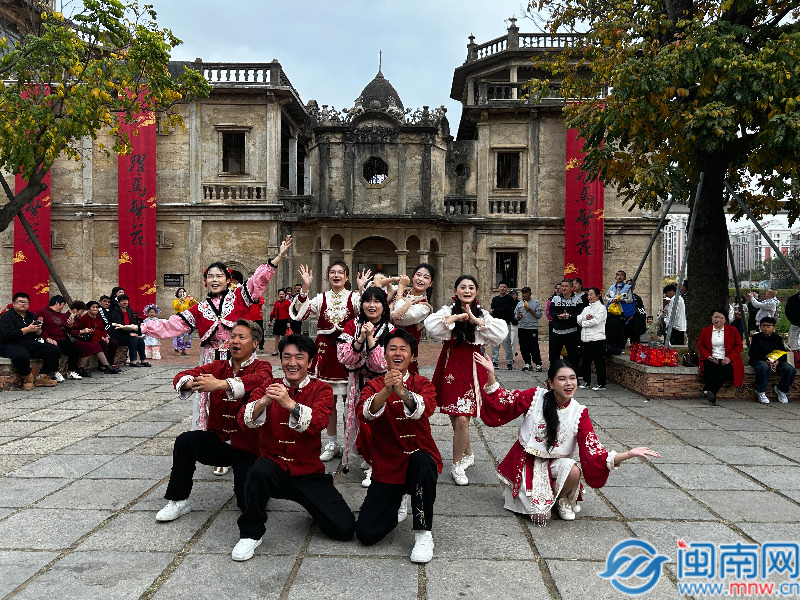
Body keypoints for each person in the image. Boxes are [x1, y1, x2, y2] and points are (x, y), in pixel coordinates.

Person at [115, 236, 292, 434]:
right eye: (210, 277)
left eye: (219, 276)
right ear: (205, 281)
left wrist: (277, 258)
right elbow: (171, 325)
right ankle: (212, 437)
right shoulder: (199, 309)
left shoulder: (240, 297)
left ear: (228, 279)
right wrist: (140, 327)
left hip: (240, 356)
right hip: (211, 358)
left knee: (243, 394)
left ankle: (244, 437)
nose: (214, 280)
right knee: (211, 398)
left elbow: (258, 281)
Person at [477, 357, 660, 525]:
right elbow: (504, 402)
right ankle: (541, 497)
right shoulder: (535, 396)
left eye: (572, 378)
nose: (569, 383)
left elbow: (593, 450)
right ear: (550, 383)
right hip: (528, 462)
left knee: (573, 469)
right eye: (562, 379)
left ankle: (562, 498)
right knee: (542, 518)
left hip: (557, 463)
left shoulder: (579, 412)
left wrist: (627, 454)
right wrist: (491, 374)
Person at [232, 334, 356, 561]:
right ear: (280, 360)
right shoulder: (269, 386)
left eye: (299, 357)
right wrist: (264, 401)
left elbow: (318, 421)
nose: (292, 363)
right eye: (286, 357)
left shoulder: (321, 389)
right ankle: (250, 534)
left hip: (308, 471)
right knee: (258, 471)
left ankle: (313, 506)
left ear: (310, 362)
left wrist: (289, 403)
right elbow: (243, 419)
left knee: (344, 528)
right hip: (274, 468)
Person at [156, 320, 272, 523]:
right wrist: (193, 382)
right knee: (185, 441)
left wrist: (219, 384)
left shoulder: (262, 367)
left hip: (248, 448)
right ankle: (178, 500)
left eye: (241, 337)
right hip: (218, 440)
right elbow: (182, 376)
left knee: (247, 504)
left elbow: (259, 381)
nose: (235, 341)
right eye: (232, 336)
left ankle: (258, 484)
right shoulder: (217, 366)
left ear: (255, 343)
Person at [355, 329, 442, 564]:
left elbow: (427, 408)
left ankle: (423, 533)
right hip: (388, 465)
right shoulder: (373, 385)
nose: (397, 353)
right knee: (366, 533)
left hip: (420, 460)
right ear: (384, 354)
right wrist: (386, 390)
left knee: (422, 462)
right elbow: (364, 413)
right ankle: (398, 499)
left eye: (403, 349)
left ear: (412, 356)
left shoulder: (423, 383)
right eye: (392, 348)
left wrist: (402, 392)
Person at [424, 274, 507, 486]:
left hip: (472, 367)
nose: (467, 291)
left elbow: (499, 334)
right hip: (450, 366)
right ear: (456, 291)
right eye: (463, 287)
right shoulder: (447, 310)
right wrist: (456, 318)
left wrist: (475, 321)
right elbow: (431, 326)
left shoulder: (483, 314)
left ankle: (457, 465)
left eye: (471, 287)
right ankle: (468, 453)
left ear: (477, 292)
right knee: (456, 418)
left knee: (462, 418)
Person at [289, 261, 371, 462]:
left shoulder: (354, 297)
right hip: (326, 353)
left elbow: (367, 313)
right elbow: (301, 315)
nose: (336, 276)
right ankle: (332, 442)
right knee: (329, 400)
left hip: (349, 352)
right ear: (327, 276)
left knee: (350, 400)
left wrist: (362, 289)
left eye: (340, 273)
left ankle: (350, 442)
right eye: (332, 272)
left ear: (347, 277)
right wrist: (305, 287)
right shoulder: (320, 298)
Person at [336, 287, 395, 485]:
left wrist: (370, 338)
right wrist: (360, 338)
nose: (372, 305)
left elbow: (381, 364)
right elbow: (344, 358)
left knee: (377, 422)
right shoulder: (352, 325)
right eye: (368, 301)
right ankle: (368, 456)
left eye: (377, 301)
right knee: (359, 420)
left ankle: (375, 464)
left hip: (380, 385)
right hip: (357, 383)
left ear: (384, 306)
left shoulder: (390, 330)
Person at [0, 292, 61, 390]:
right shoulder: (7, 316)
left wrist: (38, 329)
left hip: (29, 343)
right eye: (20, 302)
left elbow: (39, 334)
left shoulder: (32, 315)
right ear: (14, 303)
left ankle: (42, 376)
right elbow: (7, 334)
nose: (23, 304)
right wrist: (27, 329)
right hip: (10, 344)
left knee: (54, 350)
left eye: (25, 302)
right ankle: (27, 377)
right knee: (21, 354)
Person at [37, 295, 104, 380]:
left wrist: (70, 325)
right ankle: (55, 372)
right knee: (55, 350)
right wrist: (47, 338)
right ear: (57, 303)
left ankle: (71, 371)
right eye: (63, 305)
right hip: (50, 338)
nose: (63, 307)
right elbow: (40, 327)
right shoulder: (43, 312)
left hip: (62, 338)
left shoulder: (62, 315)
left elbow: (67, 329)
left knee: (74, 350)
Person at [389, 263, 435, 375]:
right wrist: (395, 280)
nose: (420, 279)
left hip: (405, 351)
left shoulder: (424, 307)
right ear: (412, 277)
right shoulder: (401, 291)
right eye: (418, 275)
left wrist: (400, 288)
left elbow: (400, 317)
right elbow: (377, 289)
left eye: (426, 277)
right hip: (386, 347)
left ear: (430, 283)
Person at [697, 310, 744, 405]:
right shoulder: (706, 330)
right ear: (711, 318)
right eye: (715, 317)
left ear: (725, 319)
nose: (717, 320)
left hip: (727, 358)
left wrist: (729, 358)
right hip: (711, 357)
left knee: (725, 368)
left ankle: (707, 391)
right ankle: (711, 395)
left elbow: (739, 345)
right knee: (710, 367)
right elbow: (700, 345)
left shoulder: (733, 330)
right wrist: (707, 355)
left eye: (720, 317)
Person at [749, 316, 796, 404]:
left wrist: (777, 361)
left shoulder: (777, 338)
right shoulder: (756, 338)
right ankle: (761, 391)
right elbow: (753, 353)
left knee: (790, 369)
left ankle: (781, 389)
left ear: (774, 327)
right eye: (763, 326)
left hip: (775, 361)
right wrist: (766, 360)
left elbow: (782, 353)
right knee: (763, 367)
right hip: (761, 360)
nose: (765, 328)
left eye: (768, 326)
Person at [576, 287, 608, 391]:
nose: (589, 297)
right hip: (585, 338)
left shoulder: (601, 308)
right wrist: (586, 317)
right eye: (588, 295)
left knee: (599, 362)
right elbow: (578, 318)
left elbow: (596, 321)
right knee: (586, 361)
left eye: (591, 295)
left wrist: (584, 323)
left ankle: (601, 383)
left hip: (596, 338)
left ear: (597, 296)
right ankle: (586, 381)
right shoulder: (586, 308)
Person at [80, 301, 121, 373]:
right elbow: (90, 330)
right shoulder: (85, 318)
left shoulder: (98, 317)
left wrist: (105, 336)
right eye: (93, 307)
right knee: (102, 343)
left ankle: (110, 363)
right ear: (89, 309)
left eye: (97, 307)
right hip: (92, 337)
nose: (95, 309)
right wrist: (101, 337)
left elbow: (103, 329)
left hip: (101, 335)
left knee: (113, 342)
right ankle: (102, 365)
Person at [109, 294, 150, 367]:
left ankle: (143, 360)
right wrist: (130, 333)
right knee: (133, 339)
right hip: (119, 335)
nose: (124, 302)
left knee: (140, 339)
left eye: (126, 301)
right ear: (119, 303)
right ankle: (133, 361)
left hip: (129, 333)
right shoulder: (115, 311)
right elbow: (119, 326)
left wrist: (136, 333)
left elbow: (133, 323)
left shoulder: (129, 310)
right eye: (122, 301)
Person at [549, 279, 582, 366]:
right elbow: (551, 311)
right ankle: (553, 374)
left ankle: (573, 374)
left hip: (571, 333)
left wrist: (568, 316)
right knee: (553, 357)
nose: (563, 288)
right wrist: (558, 316)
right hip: (556, 332)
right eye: (562, 286)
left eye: (566, 286)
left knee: (573, 358)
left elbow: (579, 314)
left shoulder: (578, 299)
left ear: (571, 287)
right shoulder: (555, 298)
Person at [489, 281, 517, 370]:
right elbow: (492, 311)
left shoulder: (510, 299)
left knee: (506, 342)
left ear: (507, 289)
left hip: (506, 323)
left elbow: (506, 310)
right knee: (495, 342)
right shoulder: (495, 299)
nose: (502, 288)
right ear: (498, 288)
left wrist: (495, 311)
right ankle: (495, 361)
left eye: (504, 287)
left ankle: (509, 361)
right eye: (501, 287)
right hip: (496, 324)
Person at [514, 286, 543, 372]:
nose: (524, 295)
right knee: (523, 347)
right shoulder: (519, 304)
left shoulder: (536, 303)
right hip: (522, 327)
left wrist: (529, 309)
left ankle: (538, 364)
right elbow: (515, 316)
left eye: (526, 293)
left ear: (530, 293)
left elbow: (539, 315)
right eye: (523, 293)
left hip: (532, 328)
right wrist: (518, 316)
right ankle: (527, 363)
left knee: (533, 346)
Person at [604, 270, 633, 351]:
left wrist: (622, 300)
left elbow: (630, 300)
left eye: (622, 275)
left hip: (622, 311)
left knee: (621, 329)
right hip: (612, 311)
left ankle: (620, 346)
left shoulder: (628, 288)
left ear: (625, 278)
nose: (619, 277)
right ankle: (611, 346)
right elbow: (606, 297)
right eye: (618, 275)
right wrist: (612, 299)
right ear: (615, 277)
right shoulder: (612, 287)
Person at [172, 288, 197, 356]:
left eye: (183, 292)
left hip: (186, 319)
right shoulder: (175, 301)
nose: (182, 293)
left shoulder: (187, 301)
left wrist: (192, 299)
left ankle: (184, 349)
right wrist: (180, 301)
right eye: (180, 292)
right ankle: (177, 349)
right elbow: (176, 307)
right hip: (178, 319)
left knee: (186, 334)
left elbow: (194, 304)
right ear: (177, 294)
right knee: (178, 334)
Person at [268, 288, 292, 356]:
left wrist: (288, 322)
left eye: (282, 294)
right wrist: (270, 320)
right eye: (280, 294)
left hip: (284, 321)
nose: (281, 295)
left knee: (286, 337)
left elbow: (289, 312)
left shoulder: (288, 303)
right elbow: (273, 311)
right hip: (277, 321)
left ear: (285, 295)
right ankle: (276, 350)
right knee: (276, 336)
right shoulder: (276, 302)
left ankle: (286, 351)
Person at [786, 283, 800, 368]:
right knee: (792, 344)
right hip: (795, 324)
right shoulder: (792, 299)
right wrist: (795, 321)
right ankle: (794, 363)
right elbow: (788, 312)